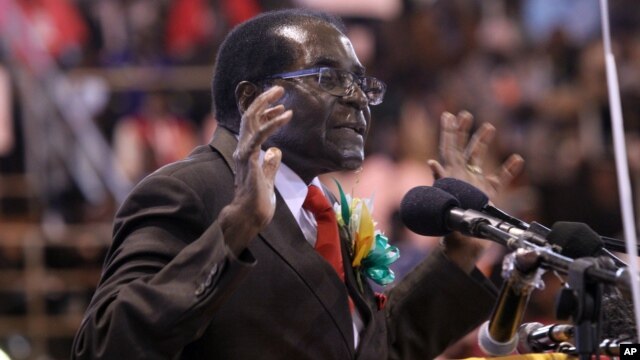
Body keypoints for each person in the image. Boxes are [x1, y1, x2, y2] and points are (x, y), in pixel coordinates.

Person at [71, 9, 523, 359]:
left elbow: (364, 350)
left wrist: (458, 252)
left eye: (361, 83)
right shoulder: (189, 189)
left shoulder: (322, 207)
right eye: (329, 78)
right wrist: (233, 232)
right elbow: (103, 346)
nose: (356, 98)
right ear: (251, 99)